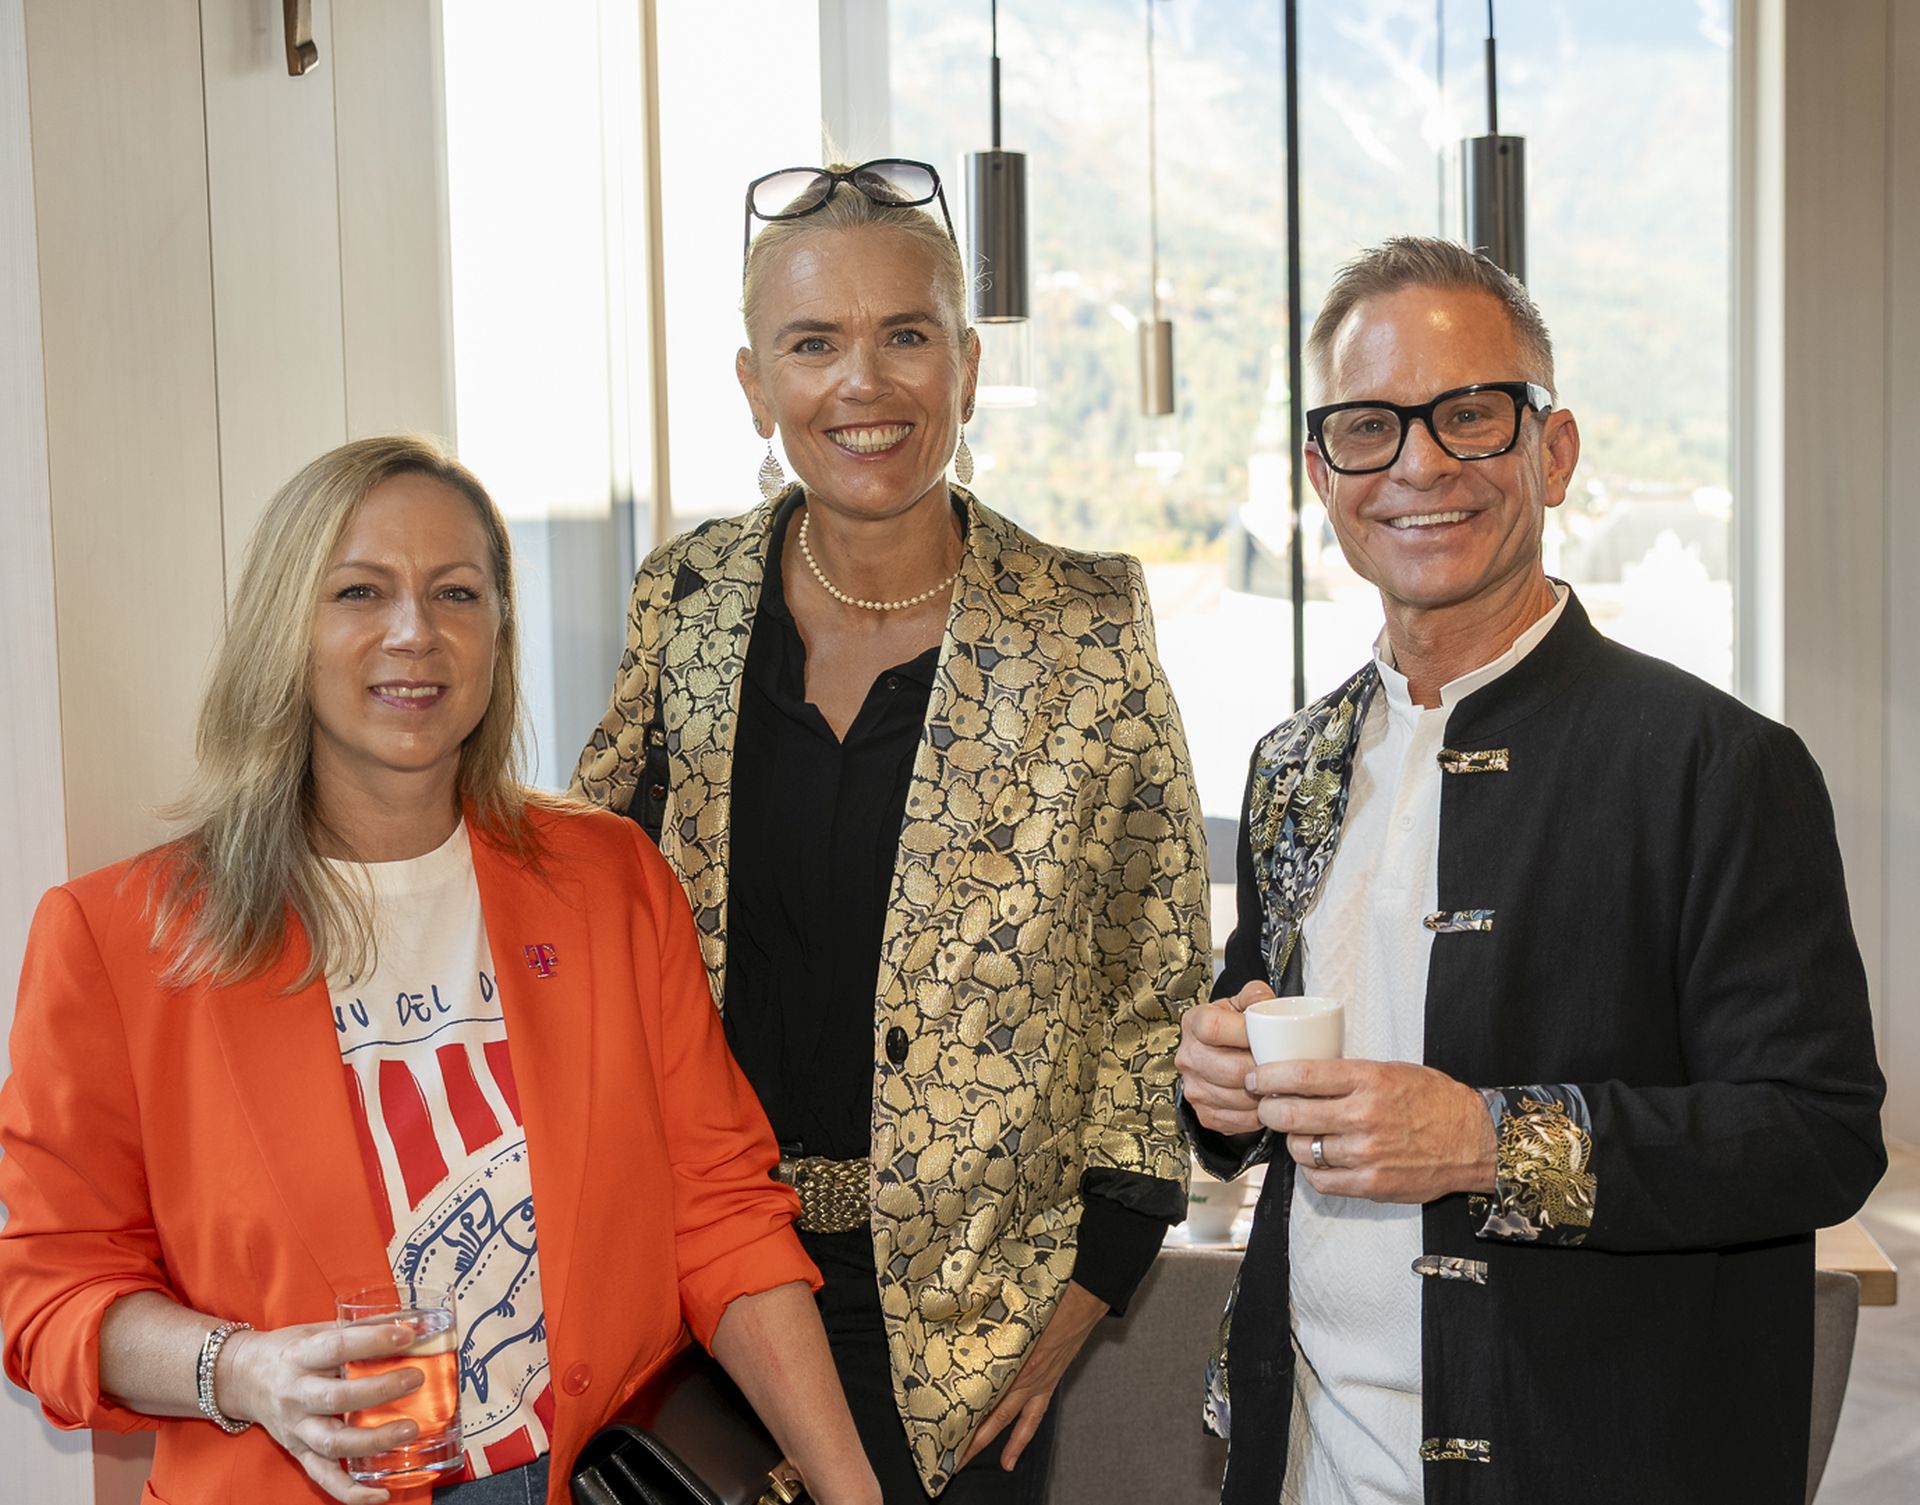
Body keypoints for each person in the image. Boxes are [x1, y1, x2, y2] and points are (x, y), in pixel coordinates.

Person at [0, 436, 880, 1505]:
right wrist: (243, 1371)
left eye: (456, 591)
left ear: (498, 630)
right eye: (360, 590)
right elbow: (50, 1291)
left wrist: (851, 1490)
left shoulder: (609, 879)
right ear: (287, 625)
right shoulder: (120, 937)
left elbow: (725, 1216)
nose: (414, 631)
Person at [1175, 237, 1887, 1505]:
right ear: (1322, 473)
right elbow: (1249, 1038)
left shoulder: (1715, 764)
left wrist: (1490, 1141)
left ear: (1553, 451)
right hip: (1306, 1461)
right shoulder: (1294, 763)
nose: (1418, 465)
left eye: (1469, 414)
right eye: (1368, 427)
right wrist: (1218, 1086)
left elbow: (1816, 1137)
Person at [572, 159, 1210, 1502]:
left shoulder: (1085, 626)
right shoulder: (685, 600)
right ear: (756, 385)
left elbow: (1153, 975)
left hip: (972, 1326)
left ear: (966, 368)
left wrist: (1094, 1281)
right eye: (813, 343)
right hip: (704, 1294)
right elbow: (584, 895)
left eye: (905, 335)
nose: (862, 382)